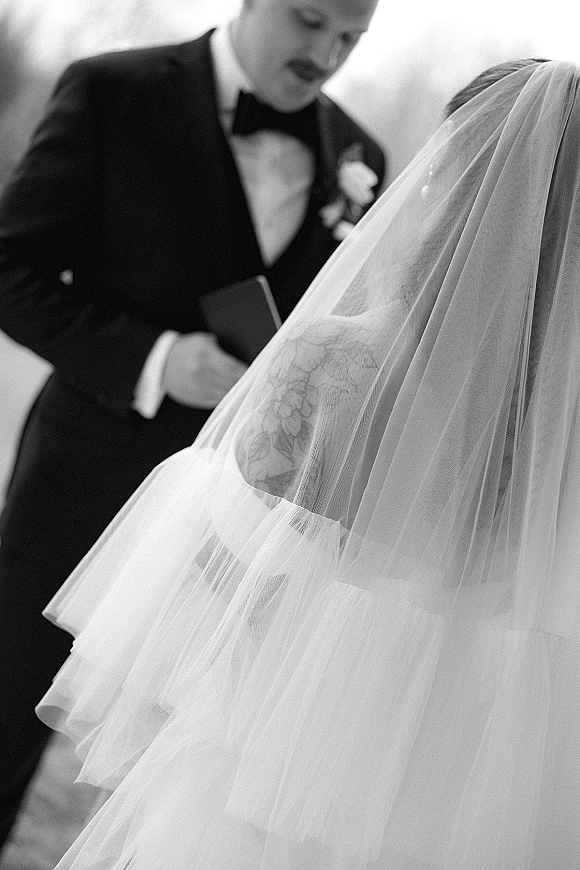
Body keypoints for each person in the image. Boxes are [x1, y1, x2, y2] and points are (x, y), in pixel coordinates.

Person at [34, 56, 580, 869]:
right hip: (434, 798)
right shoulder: (557, 444)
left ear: (447, 179)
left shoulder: (332, 357)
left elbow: (218, 575)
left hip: (258, 775)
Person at [0, 0, 386, 847]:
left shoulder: (362, 155)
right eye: (311, 21)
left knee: (191, 768)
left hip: (242, 528)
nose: (327, 54)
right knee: (6, 711)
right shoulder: (113, 90)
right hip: (87, 473)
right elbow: (12, 266)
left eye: (352, 38)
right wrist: (154, 358)